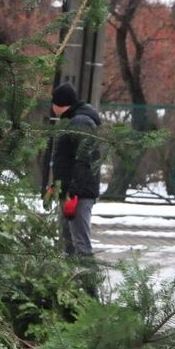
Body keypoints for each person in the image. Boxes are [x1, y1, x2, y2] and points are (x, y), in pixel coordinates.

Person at [48, 82, 102, 267]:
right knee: (68, 243)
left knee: (80, 244)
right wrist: (57, 185)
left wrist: (74, 193)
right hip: (70, 191)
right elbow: (67, 160)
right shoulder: (74, 121)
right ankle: (70, 281)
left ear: (59, 103)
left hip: (78, 194)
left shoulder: (80, 122)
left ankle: (90, 284)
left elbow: (84, 160)